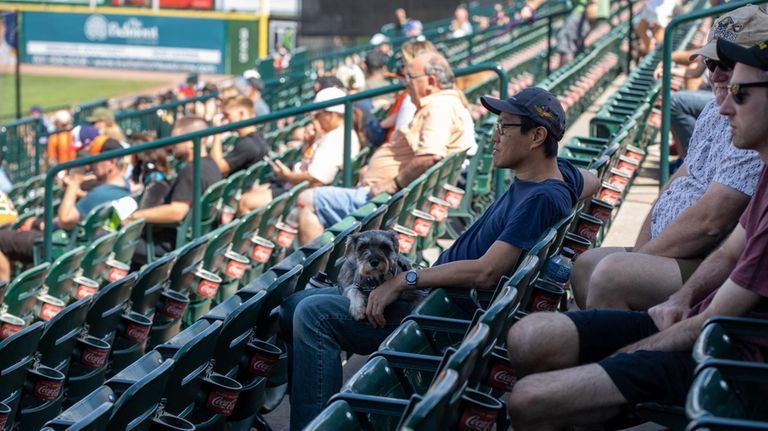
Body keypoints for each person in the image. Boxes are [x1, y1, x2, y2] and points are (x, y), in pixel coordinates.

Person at [279, 86, 599, 430]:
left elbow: (487, 273)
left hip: (443, 317)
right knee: (293, 303)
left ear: (536, 136)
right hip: (438, 298)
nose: (494, 136)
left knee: (312, 315)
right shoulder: (557, 175)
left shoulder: (541, 197)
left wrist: (404, 280)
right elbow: (592, 180)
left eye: (505, 127)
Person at [504, 37, 768, 431]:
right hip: (702, 324)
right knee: (526, 336)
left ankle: (602, 404)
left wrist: (619, 359)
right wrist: (682, 296)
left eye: (740, 95)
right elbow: (730, 252)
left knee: (528, 400)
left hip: (729, 359)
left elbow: (713, 318)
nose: (724, 103)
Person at [572, 5, 768, 311]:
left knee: (612, 274)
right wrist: (639, 251)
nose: (715, 74)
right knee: (585, 265)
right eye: (709, 62)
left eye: (726, 63)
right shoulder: (711, 110)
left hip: (702, 261)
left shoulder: (752, 123)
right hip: (671, 250)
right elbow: (676, 183)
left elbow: (711, 222)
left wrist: (637, 260)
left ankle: (626, 354)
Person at [295, 52, 473, 244]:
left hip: (387, 205)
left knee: (307, 199)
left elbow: (429, 156)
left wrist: (393, 184)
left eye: (410, 77)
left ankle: (317, 274)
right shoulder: (446, 103)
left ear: (430, 81)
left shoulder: (439, 108)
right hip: (392, 201)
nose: (406, 83)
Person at [0, 138, 131, 281]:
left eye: (96, 160)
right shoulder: (123, 187)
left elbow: (65, 219)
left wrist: (74, 182)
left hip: (63, 247)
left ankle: (4, 295)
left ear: (111, 162)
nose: (92, 165)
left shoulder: (101, 193)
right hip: (76, 244)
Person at [239, 87, 362, 213]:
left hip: (304, 195)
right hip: (303, 190)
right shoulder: (343, 132)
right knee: (252, 192)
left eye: (317, 114)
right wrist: (309, 142)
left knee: (245, 202)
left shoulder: (334, 139)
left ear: (330, 115)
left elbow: (316, 178)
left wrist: (287, 176)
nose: (315, 119)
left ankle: (262, 233)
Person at [125, 117, 222, 266]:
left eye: (177, 139)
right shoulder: (211, 165)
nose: (172, 145)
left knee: (116, 246)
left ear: (191, 142)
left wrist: (135, 216)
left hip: (175, 244)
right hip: (200, 238)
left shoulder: (192, 170)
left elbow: (177, 212)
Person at [520, 0, 610, 67]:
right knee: (576, 45)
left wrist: (529, 7)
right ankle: (574, 73)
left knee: (566, 45)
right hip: (589, 11)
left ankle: (565, 75)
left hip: (583, 12)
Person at [210, 95, 269, 177]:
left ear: (241, 114)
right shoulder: (259, 136)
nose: (224, 121)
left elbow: (218, 167)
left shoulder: (247, 144)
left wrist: (216, 131)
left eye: (227, 115)